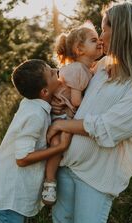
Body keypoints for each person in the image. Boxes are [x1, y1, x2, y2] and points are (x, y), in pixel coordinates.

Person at [46, 2, 132, 223]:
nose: (101, 36)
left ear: (120, 31)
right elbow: (75, 89)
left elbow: (112, 127)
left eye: (104, 29)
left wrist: (61, 125)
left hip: (96, 177)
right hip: (67, 165)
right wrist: (59, 99)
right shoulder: (101, 67)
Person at [0, 59, 71, 223]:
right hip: (12, 195)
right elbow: (22, 158)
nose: (57, 70)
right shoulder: (34, 115)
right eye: (51, 73)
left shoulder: (34, 105)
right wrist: (60, 147)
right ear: (44, 92)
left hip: (17, 192)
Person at [41, 22, 103, 205]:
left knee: (61, 145)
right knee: (56, 145)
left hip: (65, 114)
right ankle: (49, 181)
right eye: (94, 40)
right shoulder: (77, 70)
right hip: (61, 114)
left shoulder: (86, 68)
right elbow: (76, 101)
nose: (99, 42)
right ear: (79, 49)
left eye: (99, 39)